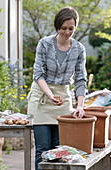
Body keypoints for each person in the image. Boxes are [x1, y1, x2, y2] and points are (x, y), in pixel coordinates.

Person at [27, 6, 87, 170]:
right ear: (57, 27)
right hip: (42, 98)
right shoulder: (45, 44)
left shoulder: (79, 49)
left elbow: (81, 79)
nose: (67, 32)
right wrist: (50, 95)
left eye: (71, 29)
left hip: (63, 99)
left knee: (59, 150)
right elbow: (38, 74)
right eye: (63, 29)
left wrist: (80, 106)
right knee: (42, 149)